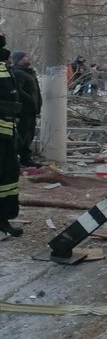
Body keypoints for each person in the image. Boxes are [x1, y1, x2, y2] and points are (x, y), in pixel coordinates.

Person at [0, 38, 22, 237]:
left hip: (6, 131)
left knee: (8, 175)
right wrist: (10, 109)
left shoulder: (3, 65)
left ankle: (3, 218)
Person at [10, 52, 41, 168]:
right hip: (23, 111)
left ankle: (26, 158)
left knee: (29, 135)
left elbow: (35, 91)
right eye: (23, 58)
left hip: (31, 111)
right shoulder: (17, 73)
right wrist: (30, 101)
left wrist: (38, 105)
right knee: (21, 135)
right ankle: (16, 159)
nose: (27, 59)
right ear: (18, 60)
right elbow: (19, 91)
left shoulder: (30, 73)